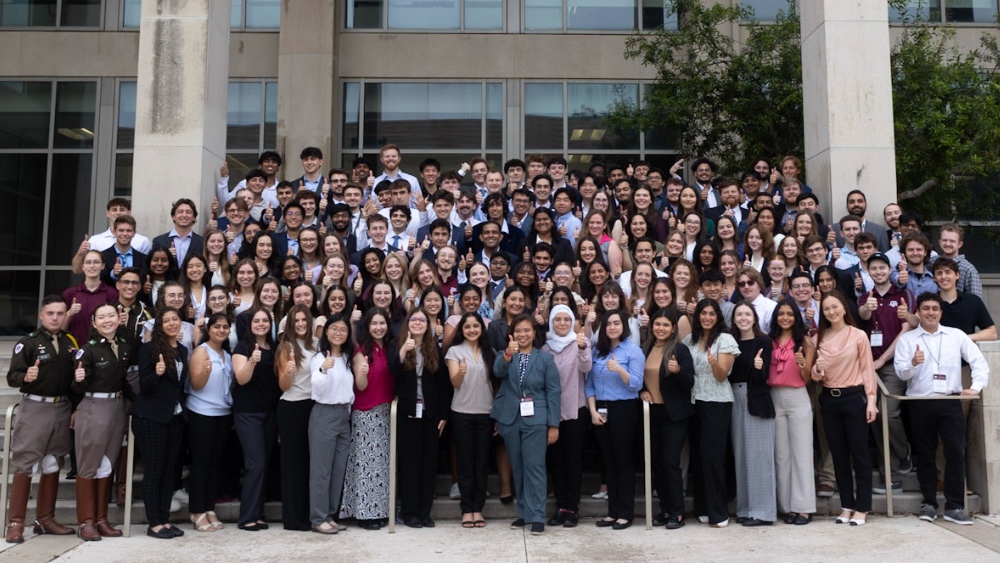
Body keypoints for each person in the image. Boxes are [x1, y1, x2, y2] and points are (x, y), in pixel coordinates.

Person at [894, 293, 989, 526]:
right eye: (925, 308)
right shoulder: (907, 340)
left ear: (941, 312)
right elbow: (900, 372)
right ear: (918, 312)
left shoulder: (956, 336)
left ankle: (955, 506)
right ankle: (928, 503)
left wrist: (975, 387)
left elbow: (978, 361)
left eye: (935, 308)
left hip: (949, 402)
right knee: (925, 454)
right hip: (919, 403)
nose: (930, 313)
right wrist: (913, 364)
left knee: (955, 451)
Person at [5, 297, 78, 543]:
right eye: (51, 313)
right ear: (42, 315)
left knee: (53, 462)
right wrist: (26, 376)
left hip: (62, 407)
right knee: (25, 463)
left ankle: (45, 519)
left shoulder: (70, 342)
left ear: (65, 315)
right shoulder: (27, 343)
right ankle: (15, 523)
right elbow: (12, 377)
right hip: (36, 407)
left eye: (60, 313)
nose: (55, 317)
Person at [812, 291, 878, 526]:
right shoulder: (818, 338)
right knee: (838, 455)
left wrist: (871, 400)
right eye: (826, 309)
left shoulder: (858, 335)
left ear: (843, 307)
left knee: (859, 454)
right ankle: (846, 505)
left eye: (835, 307)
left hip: (854, 398)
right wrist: (817, 369)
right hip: (829, 400)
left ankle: (862, 507)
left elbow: (868, 369)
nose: (831, 312)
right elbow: (815, 376)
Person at [492, 314, 561, 535]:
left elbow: (553, 391)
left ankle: (537, 516)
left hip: (536, 418)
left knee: (535, 467)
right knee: (518, 467)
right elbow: (497, 372)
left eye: (527, 330)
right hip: (511, 418)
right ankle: (524, 513)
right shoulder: (505, 354)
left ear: (534, 333)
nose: (522, 334)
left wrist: (553, 424)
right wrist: (508, 355)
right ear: (512, 334)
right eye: (518, 331)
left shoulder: (545, 359)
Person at [73, 303, 131, 541]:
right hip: (94, 406)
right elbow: (77, 388)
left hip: (117, 406)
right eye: (102, 317)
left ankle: (101, 519)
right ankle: (86, 522)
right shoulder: (87, 350)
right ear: (94, 323)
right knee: (89, 464)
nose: (107, 320)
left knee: (107, 464)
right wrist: (78, 380)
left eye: (111, 316)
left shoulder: (124, 346)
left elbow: (125, 381)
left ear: (119, 318)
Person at [859, 252, 914, 494]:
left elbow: (908, 328)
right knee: (875, 416)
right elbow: (862, 317)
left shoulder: (903, 295)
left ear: (889, 270)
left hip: (892, 364)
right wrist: (866, 309)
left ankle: (903, 450)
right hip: (869, 365)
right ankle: (889, 477)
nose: (878, 272)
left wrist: (883, 359)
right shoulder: (865, 297)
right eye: (874, 268)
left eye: (882, 267)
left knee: (889, 413)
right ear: (869, 272)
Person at [132, 307, 188, 539]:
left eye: (175, 319)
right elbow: (144, 386)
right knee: (154, 470)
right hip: (151, 417)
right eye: (166, 321)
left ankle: (165, 520)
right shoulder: (148, 349)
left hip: (175, 417)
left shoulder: (183, 350)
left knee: (169, 471)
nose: (172, 323)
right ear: (159, 326)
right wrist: (157, 373)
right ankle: (154, 523)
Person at [391, 309, 451, 528]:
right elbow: (393, 371)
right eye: (414, 319)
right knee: (410, 464)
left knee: (428, 464)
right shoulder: (397, 345)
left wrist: (444, 414)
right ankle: (410, 513)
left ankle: (425, 513)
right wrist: (403, 351)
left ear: (427, 325)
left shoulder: (432, 348)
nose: (417, 323)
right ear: (407, 323)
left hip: (430, 414)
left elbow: (442, 384)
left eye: (422, 320)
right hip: (407, 414)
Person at [684, 299, 739, 528]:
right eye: (703, 313)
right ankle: (703, 508)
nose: (707, 317)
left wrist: (714, 363)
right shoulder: (690, 339)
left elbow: (722, 375)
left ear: (718, 317)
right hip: (694, 401)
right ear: (697, 316)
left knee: (712, 457)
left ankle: (719, 512)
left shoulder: (725, 339)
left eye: (711, 313)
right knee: (698, 456)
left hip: (717, 402)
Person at [587, 309, 644, 530]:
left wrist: (619, 369)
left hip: (624, 408)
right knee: (608, 461)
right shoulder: (597, 351)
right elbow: (589, 384)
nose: (612, 327)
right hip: (601, 408)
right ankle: (612, 512)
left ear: (624, 326)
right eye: (608, 324)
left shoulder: (633, 351)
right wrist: (592, 411)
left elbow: (637, 384)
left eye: (616, 323)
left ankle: (625, 513)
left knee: (623, 461)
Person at [341, 308, 395, 530]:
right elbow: (361, 386)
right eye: (374, 324)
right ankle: (364, 514)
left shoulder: (391, 349)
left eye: (382, 323)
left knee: (382, 466)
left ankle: (380, 510)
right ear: (367, 326)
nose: (378, 327)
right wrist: (362, 372)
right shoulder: (361, 352)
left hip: (387, 412)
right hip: (366, 413)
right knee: (365, 466)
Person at [642, 309, 695, 530]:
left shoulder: (680, 350)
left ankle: (677, 512)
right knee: (657, 463)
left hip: (674, 415)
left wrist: (678, 370)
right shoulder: (645, 348)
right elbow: (641, 377)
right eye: (657, 324)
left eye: (665, 325)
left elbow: (690, 382)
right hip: (652, 413)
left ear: (673, 328)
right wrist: (642, 391)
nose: (661, 328)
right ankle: (665, 510)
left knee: (670, 462)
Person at [231, 307, 281, 532]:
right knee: (256, 463)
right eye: (256, 321)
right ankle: (247, 517)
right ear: (250, 325)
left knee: (264, 464)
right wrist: (252, 361)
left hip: (270, 413)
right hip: (248, 413)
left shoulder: (275, 347)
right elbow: (241, 379)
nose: (261, 324)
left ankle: (258, 513)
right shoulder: (243, 347)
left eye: (265, 321)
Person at [543, 305, 593, 528]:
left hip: (576, 409)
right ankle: (561, 506)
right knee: (556, 461)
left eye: (566, 319)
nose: (562, 323)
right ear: (551, 322)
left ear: (572, 322)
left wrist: (582, 348)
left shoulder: (580, 342)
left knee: (572, 460)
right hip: (553, 412)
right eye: (557, 319)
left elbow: (586, 367)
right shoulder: (545, 348)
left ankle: (572, 508)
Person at [446, 312, 496, 528]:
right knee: (465, 462)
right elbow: (455, 383)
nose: (472, 330)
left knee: (481, 462)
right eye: (467, 327)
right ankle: (467, 509)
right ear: (462, 330)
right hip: (462, 412)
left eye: (476, 326)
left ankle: (478, 508)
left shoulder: (490, 352)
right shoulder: (454, 351)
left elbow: (495, 384)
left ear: (481, 329)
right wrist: (461, 373)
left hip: (486, 412)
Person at [768, 300, 816, 525]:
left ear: (796, 317)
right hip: (774, 397)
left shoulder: (804, 341)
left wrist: (803, 363)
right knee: (781, 455)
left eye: (789, 314)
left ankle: (803, 507)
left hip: (797, 396)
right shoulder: (769, 340)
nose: (785, 318)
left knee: (801, 453)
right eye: (781, 314)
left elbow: (808, 378)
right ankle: (787, 506)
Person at [728, 303, 776, 526]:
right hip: (733, 396)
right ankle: (745, 508)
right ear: (734, 318)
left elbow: (764, 377)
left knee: (759, 456)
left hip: (755, 397)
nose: (743, 318)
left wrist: (758, 367)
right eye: (739, 314)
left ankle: (763, 512)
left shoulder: (763, 341)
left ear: (754, 318)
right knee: (741, 456)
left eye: (747, 314)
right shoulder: (729, 341)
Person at [185, 313, 232, 533]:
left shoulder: (227, 355)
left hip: (223, 413)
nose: (221, 330)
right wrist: (205, 372)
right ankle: (196, 510)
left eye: (225, 327)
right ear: (209, 329)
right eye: (217, 326)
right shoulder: (201, 351)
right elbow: (196, 384)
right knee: (201, 462)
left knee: (215, 463)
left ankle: (209, 506)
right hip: (201, 412)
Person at [308, 314, 355, 535]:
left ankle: (329, 514)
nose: (338, 333)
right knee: (321, 470)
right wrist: (324, 369)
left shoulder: (347, 358)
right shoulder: (319, 358)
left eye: (343, 330)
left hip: (343, 415)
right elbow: (317, 388)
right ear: (326, 331)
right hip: (324, 414)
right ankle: (318, 518)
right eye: (334, 328)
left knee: (338, 470)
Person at [275, 305, 317, 531]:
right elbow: (283, 385)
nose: (301, 324)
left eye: (304, 320)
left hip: (314, 406)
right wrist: (289, 371)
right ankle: (294, 519)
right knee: (294, 465)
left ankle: (311, 514)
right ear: (290, 324)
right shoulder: (287, 346)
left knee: (311, 463)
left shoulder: (316, 345)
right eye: (296, 320)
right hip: (292, 407)